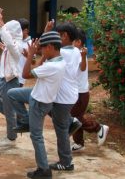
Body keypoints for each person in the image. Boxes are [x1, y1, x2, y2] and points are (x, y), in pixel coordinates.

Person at [22, 31, 66, 179]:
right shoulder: (59, 61)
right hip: (44, 100)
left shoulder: (51, 67)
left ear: (51, 47)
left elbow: (25, 74)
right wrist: (42, 56)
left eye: (42, 48)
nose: (40, 50)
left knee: (36, 136)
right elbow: (38, 69)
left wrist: (30, 55)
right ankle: (24, 120)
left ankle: (44, 169)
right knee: (13, 94)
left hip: (39, 102)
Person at [46, 21, 81, 171]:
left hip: (62, 97)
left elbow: (47, 51)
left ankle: (66, 162)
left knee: (61, 131)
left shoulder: (63, 53)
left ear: (65, 36)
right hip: (70, 94)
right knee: (47, 108)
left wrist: (46, 32)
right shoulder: (76, 51)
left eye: (57, 36)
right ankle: (71, 120)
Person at [0, 8, 22, 146]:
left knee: (8, 110)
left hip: (10, 81)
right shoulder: (10, 45)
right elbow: (8, 46)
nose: (4, 32)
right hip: (2, 79)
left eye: (7, 30)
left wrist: (1, 24)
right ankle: (11, 116)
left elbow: (9, 42)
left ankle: (11, 138)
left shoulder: (16, 45)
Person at [71, 28, 109, 151]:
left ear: (78, 41)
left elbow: (82, 68)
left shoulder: (79, 53)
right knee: (76, 117)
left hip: (80, 93)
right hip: (78, 92)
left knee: (75, 117)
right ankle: (79, 143)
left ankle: (98, 128)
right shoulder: (75, 53)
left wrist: (83, 57)